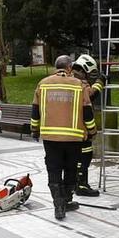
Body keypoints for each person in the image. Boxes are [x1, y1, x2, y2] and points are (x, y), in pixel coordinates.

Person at [31, 55, 98, 220]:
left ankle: (58, 205)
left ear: (56, 67)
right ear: (69, 68)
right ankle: (67, 200)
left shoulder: (43, 84)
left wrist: (34, 129)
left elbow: (35, 109)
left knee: (53, 169)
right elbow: (87, 112)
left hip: (50, 138)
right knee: (70, 169)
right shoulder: (79, 85)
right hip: (73, 138)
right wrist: (92, 131)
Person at [70, 54, 105, 197]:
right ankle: (81, 185)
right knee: (85, 155)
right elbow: (90, 95)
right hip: (79, 127)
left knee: (74, 157)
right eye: (89, 73)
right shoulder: (79, 82)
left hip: (68, 127)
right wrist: (100, 82)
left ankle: (73, 184)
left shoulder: (67, 78)